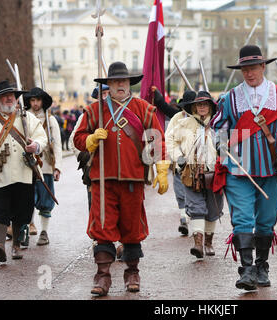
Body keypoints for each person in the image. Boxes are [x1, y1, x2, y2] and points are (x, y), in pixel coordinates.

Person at [73, 62, 170, 296]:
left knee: (132, 227)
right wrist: (91, 139)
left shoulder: (143, 109)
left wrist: (162, 168)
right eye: (115, 82)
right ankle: (103, 277)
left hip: (133, 179)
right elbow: (77, 138)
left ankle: (132, 273)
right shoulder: (94, 110)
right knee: (102, 227)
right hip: (102, 180)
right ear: (109, 84)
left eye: (123, 82)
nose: (119, 85)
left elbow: (157, 138)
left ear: (129, 84)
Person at [211, 45, 277, 290]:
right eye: (245, 69)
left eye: (253, 68)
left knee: (266, 220)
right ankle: (247, 270)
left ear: (263, 67)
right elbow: (217, 127)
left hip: (271, 167)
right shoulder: (230, 98)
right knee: (242, 218)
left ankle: (262, 266)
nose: (249, 74)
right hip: (239, 168)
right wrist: (222, 147)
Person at [0, 80, 47, 262]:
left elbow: (41, 138)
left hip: (24, 172)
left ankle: (15, 247)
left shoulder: (27, 118)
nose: (8, 99)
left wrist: (35, 146)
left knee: (22, 211)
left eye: (11, 96)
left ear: (16, 98)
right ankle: (0, 245)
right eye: (4, 96)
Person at [166, 91, 224, 258]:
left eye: (205, 104)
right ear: (193, 107)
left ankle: (208, 242)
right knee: (196, 207)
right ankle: (198, 244)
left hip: (215, 173)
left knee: (214, 208)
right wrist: (179, 157)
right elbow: (171, 140)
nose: (202, 107)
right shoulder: (183, 124)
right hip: (190, 172)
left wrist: (224, 154)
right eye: (199, 105)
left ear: (211, 107)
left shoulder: (219, 125)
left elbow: (228, 150)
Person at [25, 87, 63, 246]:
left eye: (38, 100)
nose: (35, 103)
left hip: (45, 165)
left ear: (42, 101)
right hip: (26, 166)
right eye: (32, 100)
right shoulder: (23, 118)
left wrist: (57, 167)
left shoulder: (50, 119)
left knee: (45, 201)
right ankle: (25, 229)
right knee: (26, 200)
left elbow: (58, 144)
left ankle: (44, 232)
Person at [160, 89, 197, 235]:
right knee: (180, 191)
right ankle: (183, 219)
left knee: (196, 192)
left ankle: (196, 222)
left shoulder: (202, 117)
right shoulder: (176, 118)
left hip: (197, 162)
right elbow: (168, 137)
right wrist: (176, 156)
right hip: (179, 161)